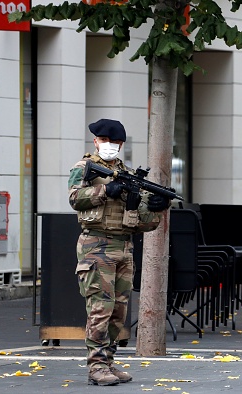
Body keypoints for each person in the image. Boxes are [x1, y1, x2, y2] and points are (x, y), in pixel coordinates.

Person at [68, 119, 171, 386]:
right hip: (96, 246)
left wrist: (156, 206)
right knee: (100, 308)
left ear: (122, 145)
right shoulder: (84, 167)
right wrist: (105, 190)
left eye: (115, 143)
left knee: (119, 311)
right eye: (105, 141)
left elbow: (145, 223)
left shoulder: (128, 174)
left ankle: (109, 362)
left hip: (123, 247)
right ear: (95, 141)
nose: (110, 146)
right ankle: (96, 366)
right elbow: (75, 199)